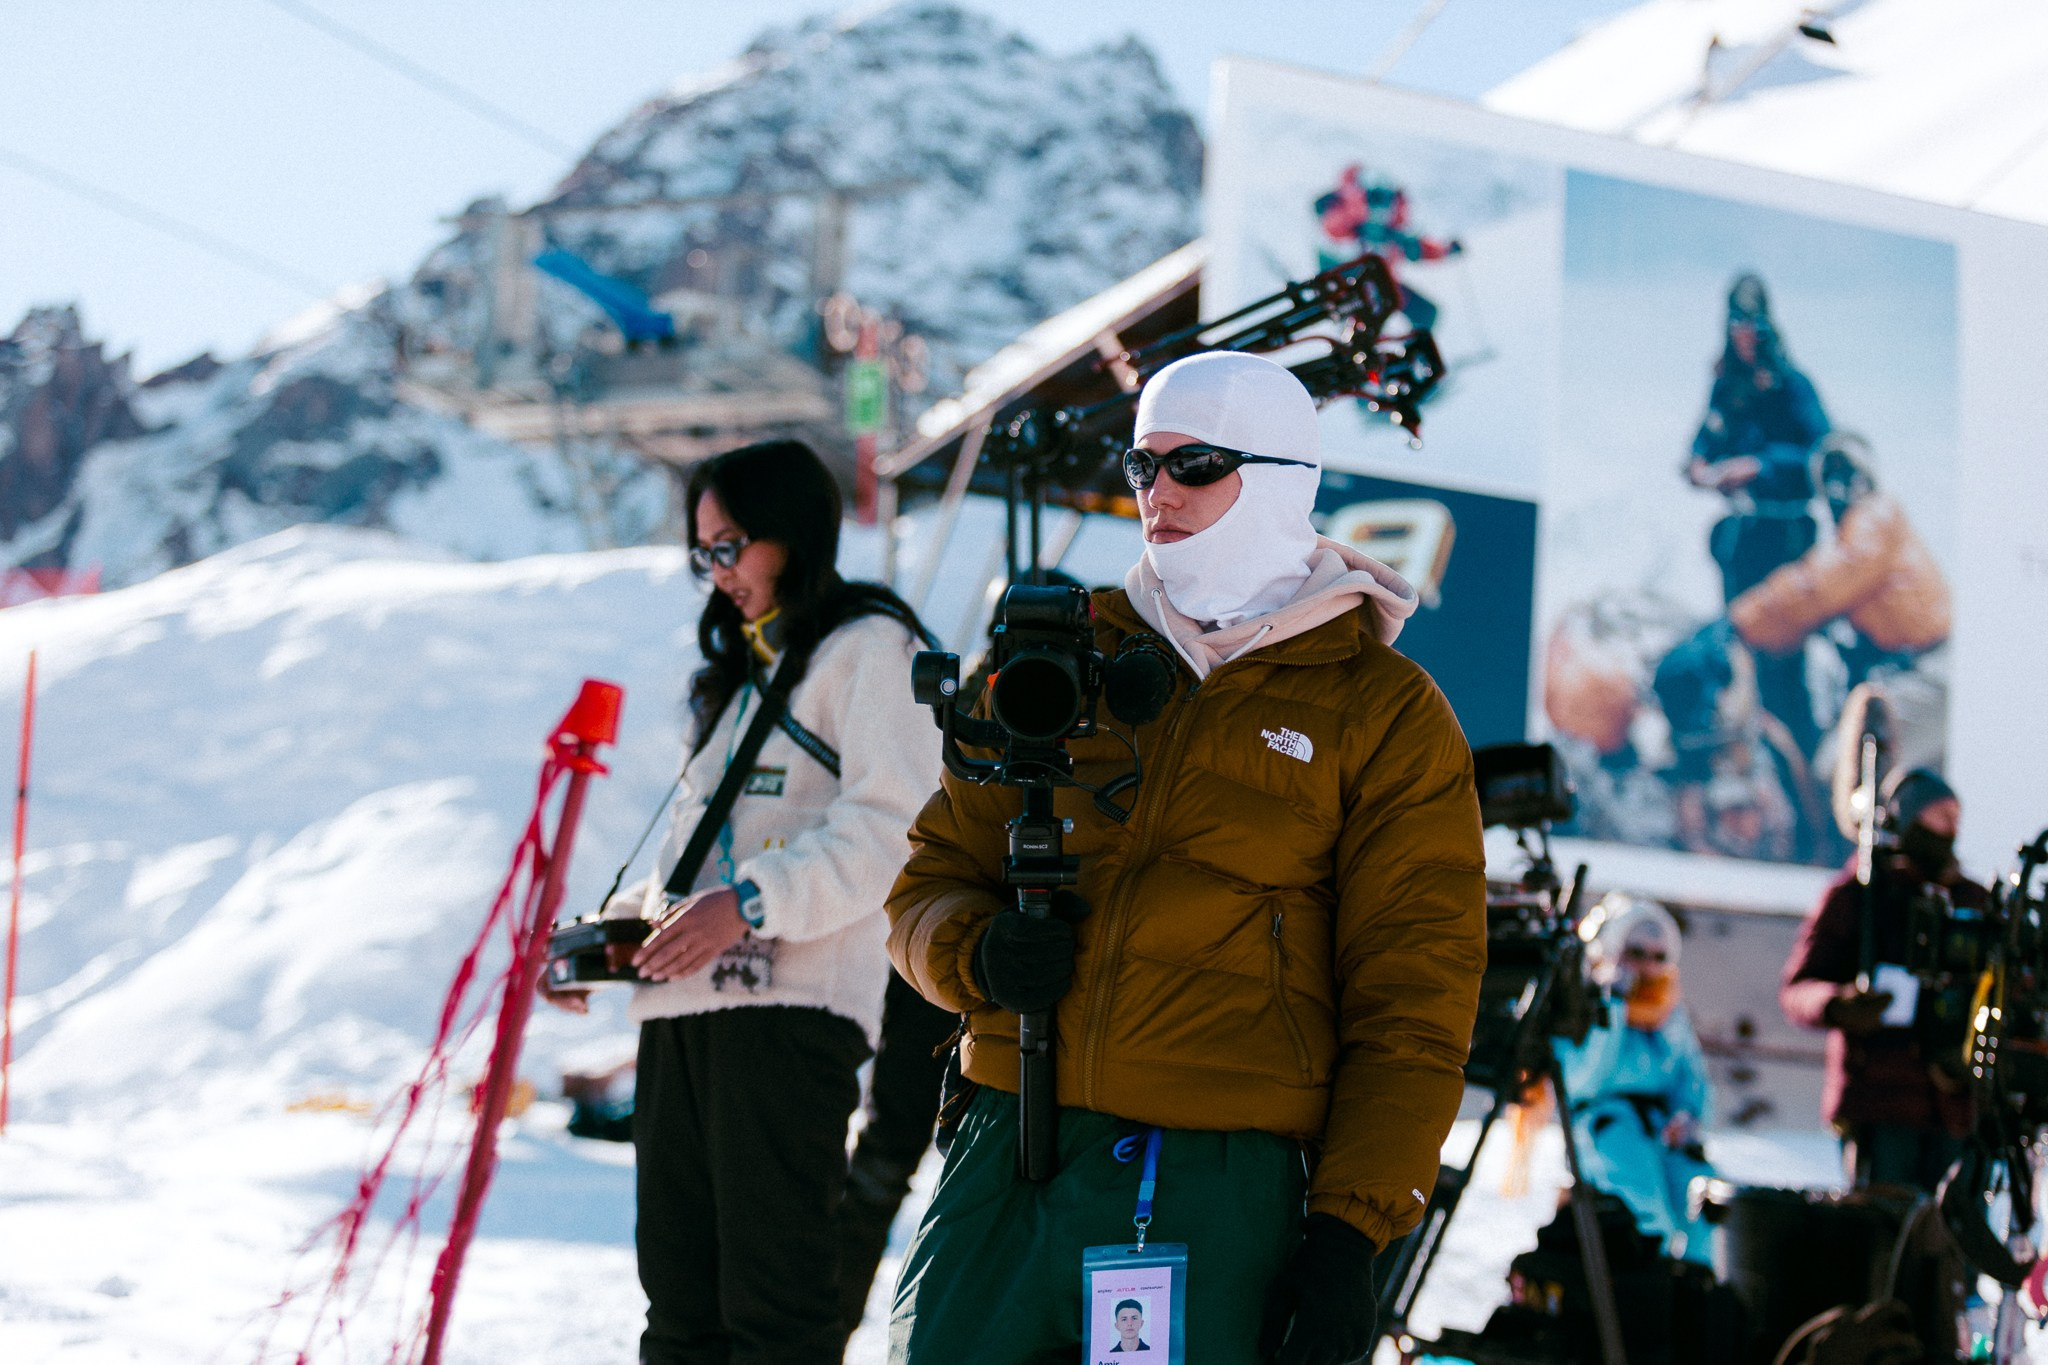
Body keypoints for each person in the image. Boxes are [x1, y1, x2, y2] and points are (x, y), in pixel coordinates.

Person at [885, 351, 1489, 1364]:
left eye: (1194, 463)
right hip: (1010, 1136)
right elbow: (925, 885)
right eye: (1139, 466)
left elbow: (1413, 1002)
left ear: (1280, 477)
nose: (1156, 494)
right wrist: (974, 953)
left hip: (1219, 1180)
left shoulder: (1381, 711)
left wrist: (1349, 1234)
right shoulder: (1054, 654)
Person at [541, 439, 938, 1365]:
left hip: (788, 1012)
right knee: (679, 1310)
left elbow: (894, 831)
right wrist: (603, 941)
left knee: (774, 1310)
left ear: (792, 535)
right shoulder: (748, 672)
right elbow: (702, 863)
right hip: (682, 1014)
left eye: (731, 547)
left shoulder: (868, 647)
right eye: (702, 553)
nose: (716, 574)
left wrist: (748, 904)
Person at [1780, 767, 1984, 1191]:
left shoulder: (1971, 901)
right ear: (1907, 819)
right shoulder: (1858, 896)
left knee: (1953, 1243)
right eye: (1939, 815)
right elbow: (1798, 988)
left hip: (1955, 1106)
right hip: (1878, 1104)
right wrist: (1839, 1004)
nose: (1951, 828)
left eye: (1955, 818)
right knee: (1883, 1234)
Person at [1687, 274, 1833, 762]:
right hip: (1741, 539)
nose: (1742, 331)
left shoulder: (1793, 385)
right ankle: (1753, 766)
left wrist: (1761, 467)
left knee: (1783, 662)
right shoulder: (1725, 386)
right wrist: (1699, 465)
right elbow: (1705, 439)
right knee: (1739, 652)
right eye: (1735, 321)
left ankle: (1804, 762)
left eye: (1749, 321)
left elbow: (1822, 453)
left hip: (1786, 537)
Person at [1556, 895, 1716, 1264]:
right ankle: (1647, 1292)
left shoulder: (1667, 1011)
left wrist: (1690, 1115)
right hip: (1605, 1127)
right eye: (1636, 952)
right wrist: (1611, 1010)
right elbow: (1581, 1082)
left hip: (1662, 1128)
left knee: (1705, 1205)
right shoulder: (1583, 1003)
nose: (1646, 966)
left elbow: (1690, 1074)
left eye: (1659, 957)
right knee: (1646, 1206)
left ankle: (1695, 1294)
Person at [1729, 433, 1951, 694]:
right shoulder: (1866, 527)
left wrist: (1738, 623)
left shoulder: (1874, 517)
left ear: (1867, 477)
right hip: (1910, 668)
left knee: (1844, 737)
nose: (1838, 487)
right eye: (1829, 478)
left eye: (1847, 472)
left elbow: (1816, 588)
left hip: (1921, 672)